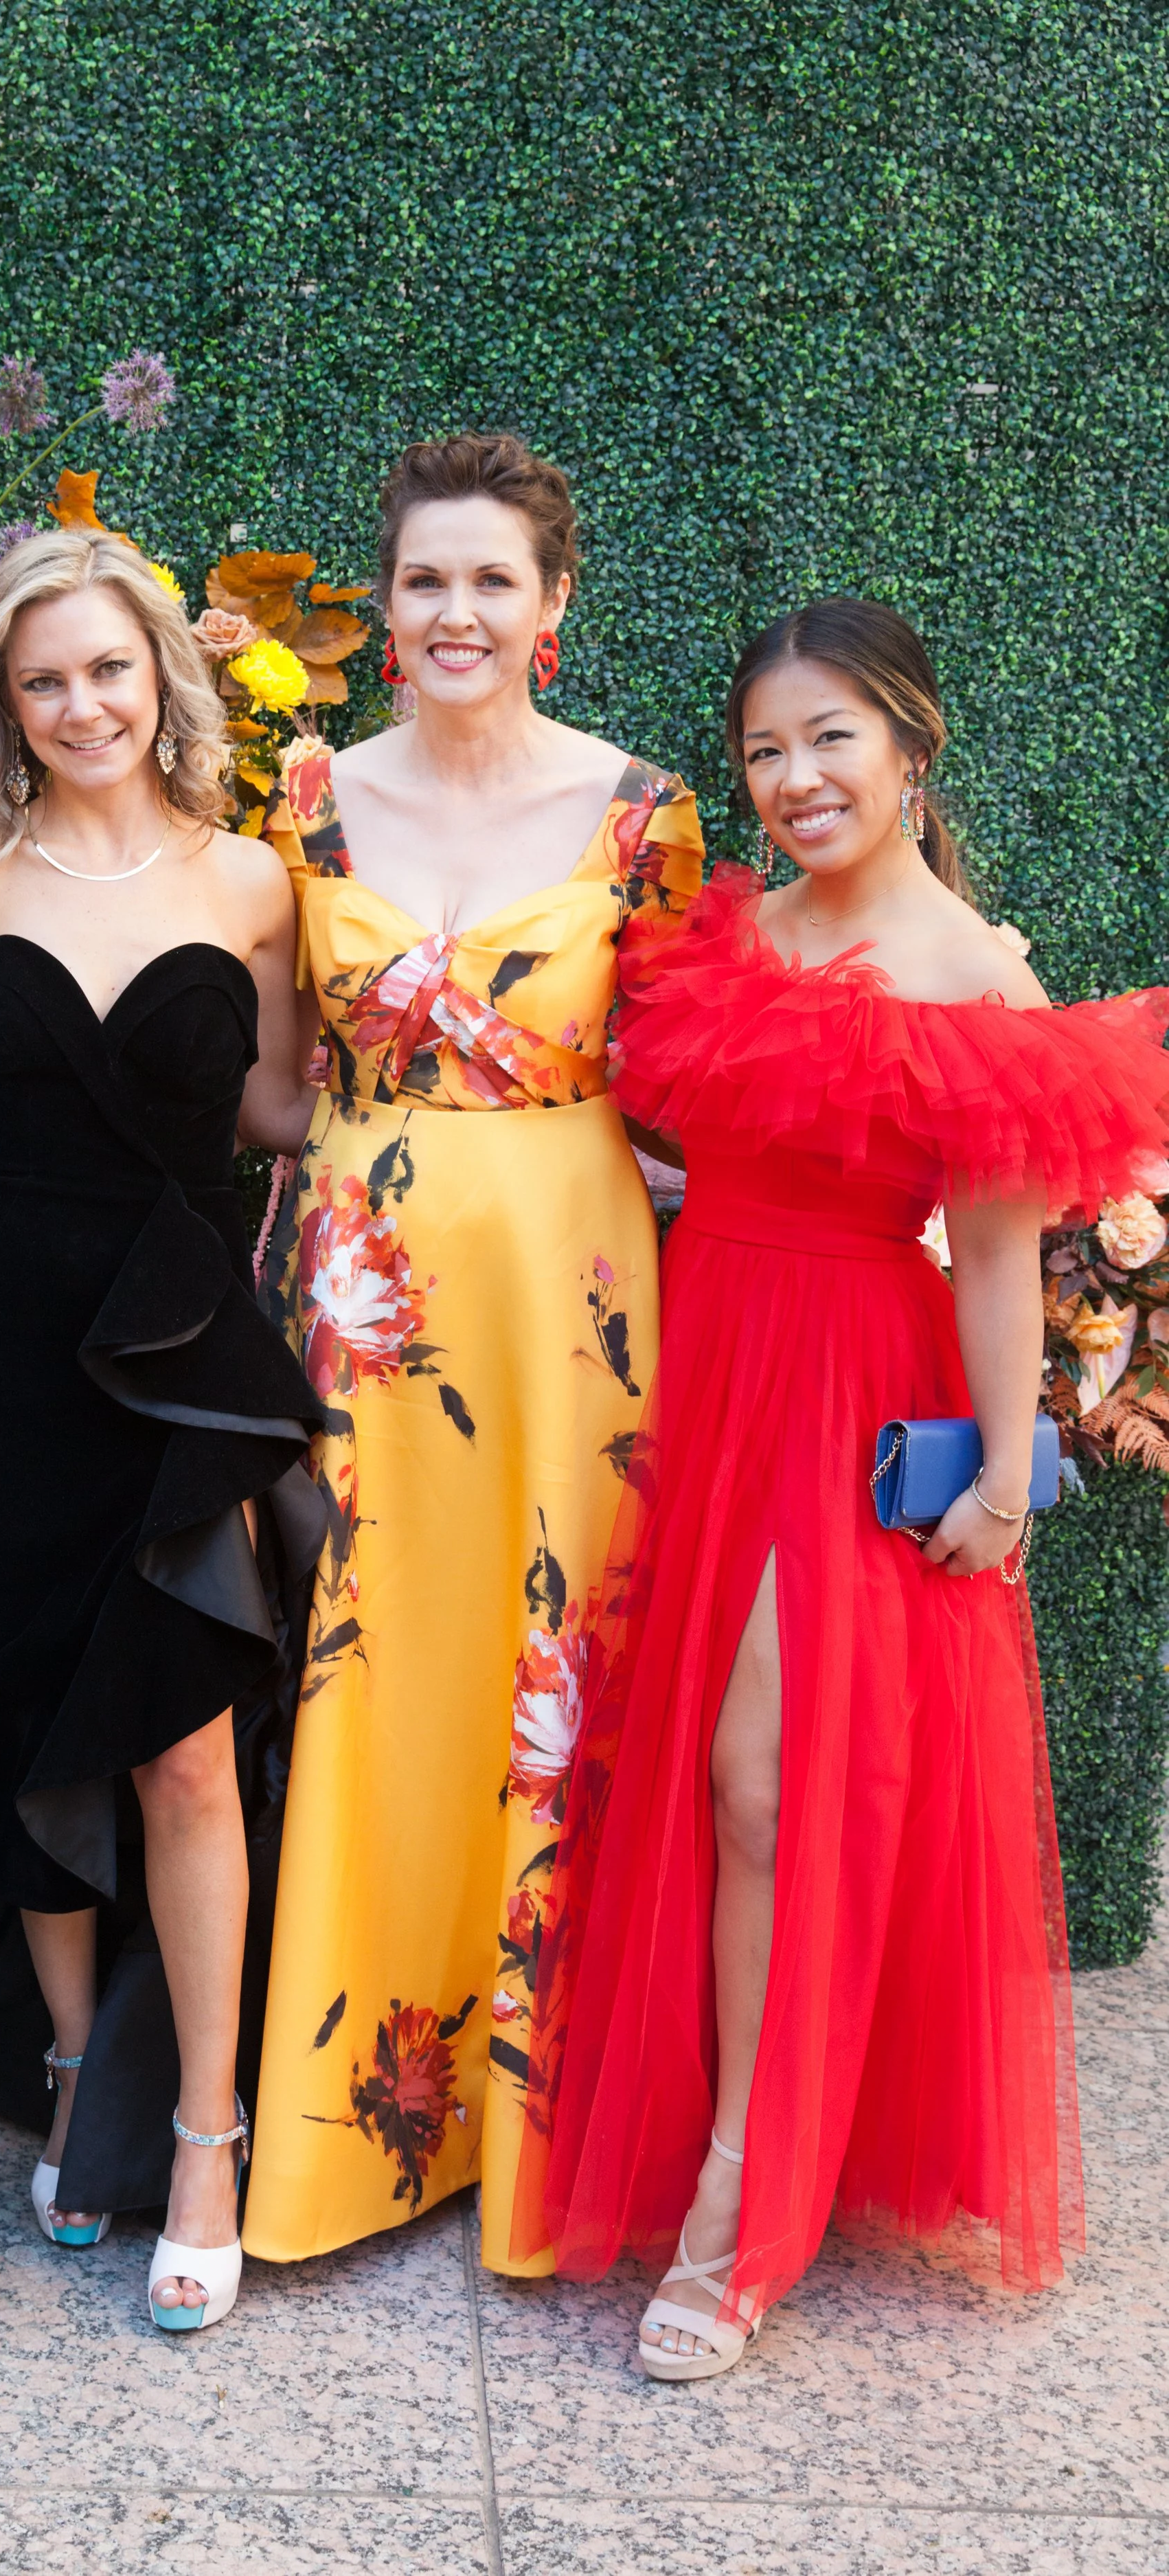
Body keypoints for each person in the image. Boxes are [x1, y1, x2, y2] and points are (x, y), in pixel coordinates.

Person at [516, 596, 1169, 2377]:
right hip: (703, 1376)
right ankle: (720, 2134)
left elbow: (994, 1261)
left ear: (908, 744)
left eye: (829, 739)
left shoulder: (977, 979)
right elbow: (658, 1145)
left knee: (762, 1784)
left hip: (847, 1391)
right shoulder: (724, 936)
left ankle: (743, 2204)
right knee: (688, 1779)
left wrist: (1004, 1488)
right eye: (762, 751)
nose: (795, 778)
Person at [242, 432, 705, 2277]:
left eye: (490, 581)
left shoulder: (641, 814)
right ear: (389, 596)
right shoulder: (302, 798)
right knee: (369, 1665)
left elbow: (691, 1085)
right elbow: (274, 1081)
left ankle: (541, 2138)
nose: (452, 612)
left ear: (553, 607)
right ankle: (352, 2137)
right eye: (422, 578)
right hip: (360, 1297)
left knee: (552, 1677)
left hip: (569, 1308)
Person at [0, 528, 322, 2334]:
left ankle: (209, 2137)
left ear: (165, 677)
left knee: (180, 1752)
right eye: (41, 678)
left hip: (176, 1357)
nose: (80, 703)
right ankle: (79, 2068)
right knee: (16, 1724)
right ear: (4, 701)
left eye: (106, 669)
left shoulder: (252, 878)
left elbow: (292, 1103)